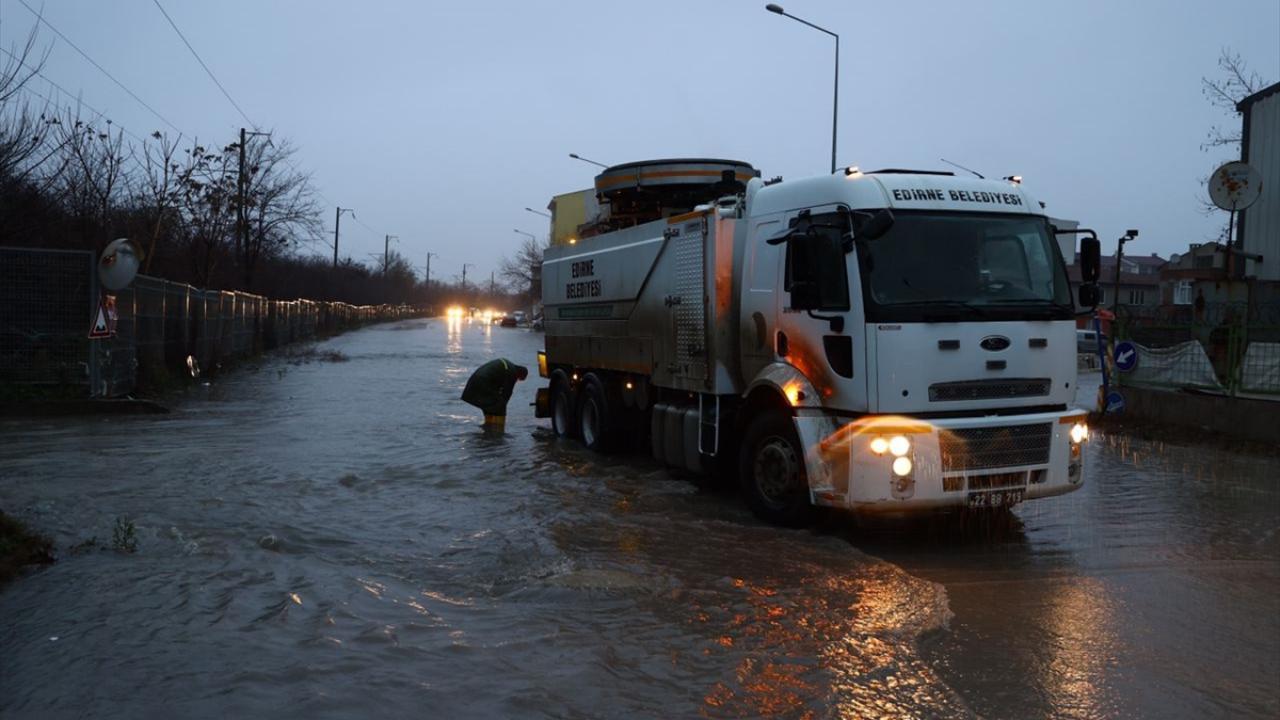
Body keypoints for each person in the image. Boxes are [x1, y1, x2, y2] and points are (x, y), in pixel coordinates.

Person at [461, 358, 528, 431]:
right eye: (519, 379)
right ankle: (498, 432)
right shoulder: (512, 372)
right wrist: (502, 406)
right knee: (500, 406)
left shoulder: (507, 366)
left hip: (474, 381)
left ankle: (488, 428)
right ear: (520, 374)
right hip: (483, 382)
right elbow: (507, 392)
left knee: (489, 406)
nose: (517, 380)